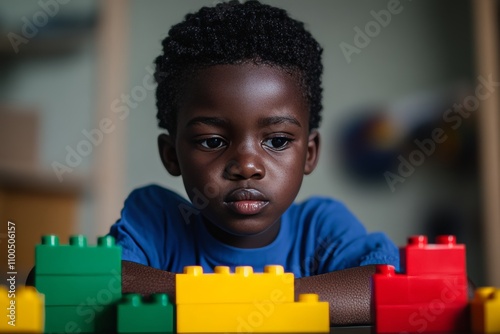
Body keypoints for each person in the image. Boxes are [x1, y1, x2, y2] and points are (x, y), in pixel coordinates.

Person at [108, 0, 399, 325]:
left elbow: (388, 287)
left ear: (310, 153)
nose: (246, 166)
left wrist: (227, 298)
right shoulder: (157, 219)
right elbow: (97, 284)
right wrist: (252, 299)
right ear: (172, 154)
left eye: (276, 141)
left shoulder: (320, 228)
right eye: (213, 141)